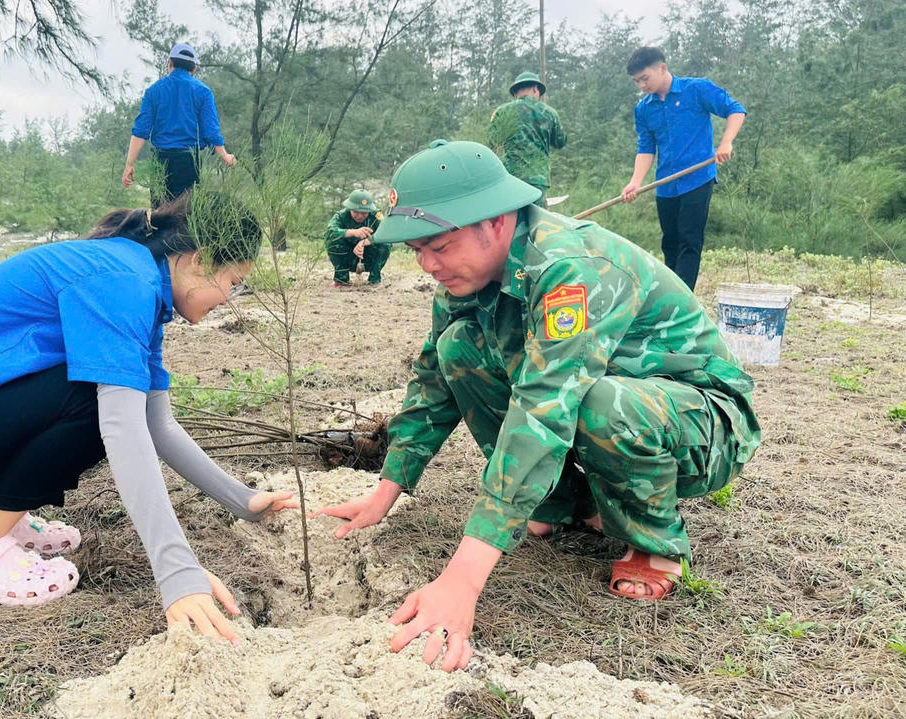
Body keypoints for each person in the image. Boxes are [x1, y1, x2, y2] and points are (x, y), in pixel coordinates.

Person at [315, 140, 761, 672]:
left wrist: (462, 579)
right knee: (460, 349)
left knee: (600, 404)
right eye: (416, 251)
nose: (428, 264)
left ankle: (651, 539)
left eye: (438, 245)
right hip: (602, 397)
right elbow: (434, 379)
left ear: (496, 221)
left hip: (699, 420)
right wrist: (387, 489)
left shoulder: (572, 268)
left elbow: (545, 407)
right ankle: (566, 504)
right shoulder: (464, 275)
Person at [0, 192, 296, 642]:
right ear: (199, 260)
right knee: (96, 398)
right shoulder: (124, 283)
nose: (232, 298)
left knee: (108, 393)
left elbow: (157, 423)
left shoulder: (142, 286)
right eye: (235, 281)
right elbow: (123, 428)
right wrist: (178, 576)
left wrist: (242, 501)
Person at [621, 47, 746, 291]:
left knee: (689, 241)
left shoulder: (696, 89)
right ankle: (671, 295)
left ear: (662, 68)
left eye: (645, 78)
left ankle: (681, 298)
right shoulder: (644, 109)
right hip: (665, 184)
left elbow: (735, 110)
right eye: (637, 81)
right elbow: (646, 148)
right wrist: (636, 181)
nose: (641, 86)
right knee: (670, 243)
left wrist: (726, 142)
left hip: (698, 178)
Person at [122, 43, 235, 205]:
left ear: (170, 63)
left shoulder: (153, 91)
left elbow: (140, 132)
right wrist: (225, 156)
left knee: (159, 217)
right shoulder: (203, 92)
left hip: (160, 162)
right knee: (185, 217)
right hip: (188, 162)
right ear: (193, 68)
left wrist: (129, 164)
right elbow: (211, 132)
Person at [486, 72, 567, 207]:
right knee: (537, 222)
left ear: (516, 92)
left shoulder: (501, 112)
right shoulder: (549, 113)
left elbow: (492, 143)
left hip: (510, 178)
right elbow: (560, 142)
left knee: (512, 223)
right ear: (536, 89)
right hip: (537, 179)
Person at [325, 189, 388, 287]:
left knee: (386, 243)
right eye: (356, 212)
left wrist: (367, 241)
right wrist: (352, 232)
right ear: (350, 208)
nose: (360, 216)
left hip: (368, 257)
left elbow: (387, 232)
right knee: (333, 241)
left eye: (364, 213)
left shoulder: (376, 215)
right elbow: (329, 232)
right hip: (347, 257)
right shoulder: (341, 216)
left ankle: (374, 279)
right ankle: (341, 279)